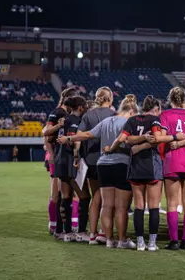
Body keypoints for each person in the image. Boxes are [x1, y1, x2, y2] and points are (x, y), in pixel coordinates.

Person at [58, 94, 142, 249]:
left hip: (102, 165)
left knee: (107, 205)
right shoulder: (129, 123)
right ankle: (122, 240)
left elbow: (88, 134)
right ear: (131, 112)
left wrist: (69, 139)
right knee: (122, 207)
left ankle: (109, 240)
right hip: (121, 164)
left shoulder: (106, 121)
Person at [106, 95, 185, 251]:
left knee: (139, 206)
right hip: (151, 165)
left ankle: (140, 242)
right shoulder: (154, 120)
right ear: (155, 109)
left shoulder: (132, 120)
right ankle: (152, 243)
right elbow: (156, 139)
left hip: (135, 166)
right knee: (154, 206)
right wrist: (175, 136)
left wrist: (119, 148)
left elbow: (125, 140)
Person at [160, 87, 185, 250]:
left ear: (170, 99)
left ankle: (174, 241)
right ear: (183, 100)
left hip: (173, 159)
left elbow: (161, 138)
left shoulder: (165, 115)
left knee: (172, 204)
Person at [76, 87, 116, 245]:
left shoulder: (88, 115)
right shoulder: (114, 115)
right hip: (110, 160)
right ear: (110, 99)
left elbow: (78, 136)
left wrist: (76, 156)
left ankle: (92, 234)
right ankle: (104, 232)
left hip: (92, 161)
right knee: (109, 199)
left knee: (96, 196)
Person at [43, 87, 79, 240]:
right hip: (59, 157)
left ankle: (58, 225)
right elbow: (46, 133)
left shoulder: (62, 113)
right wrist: (51, 154)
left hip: (60, 156)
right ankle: (57, 225)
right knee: (59, 194)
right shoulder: (59, 113)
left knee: (63, 194)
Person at [54, 96, 90, 242]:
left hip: (60, 161)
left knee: (66, 197)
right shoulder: (77, 121)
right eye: (85, 105)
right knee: (85, 196)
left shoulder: (64, 120)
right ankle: (81, 231)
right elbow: (74, 142)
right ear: (80, 107)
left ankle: (66, 232)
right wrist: (76, 157)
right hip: (71, 162)